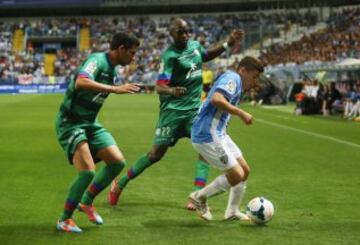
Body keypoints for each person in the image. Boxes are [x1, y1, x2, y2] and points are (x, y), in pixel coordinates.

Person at [108, 18, 244, 210]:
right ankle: (119, 184)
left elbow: (206, 55)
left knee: (205, 148)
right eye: (181, 32)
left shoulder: (195, 46)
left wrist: (227, 43)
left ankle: (196, 197)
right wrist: (172, 91)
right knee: (155, 155)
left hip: (194, 111)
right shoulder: (170, 56)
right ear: (171, 34)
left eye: (187, 31)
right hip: (172, 113)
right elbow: (159, 86)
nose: (186, 35)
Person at [55, 32, 141, 233]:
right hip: (71, 122)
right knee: (87, 172)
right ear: (120, 49)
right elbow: (81, 82)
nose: (133, 57)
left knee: (117, 162)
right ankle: (64, 220)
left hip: (90, 123)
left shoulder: (112, 69)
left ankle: (86, 202)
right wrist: (115, 89)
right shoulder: (97, 60)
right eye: (132, 52)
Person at [189, 56, 264, 221]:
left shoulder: (237, 83)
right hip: (207, 134)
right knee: (236, 174)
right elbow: (217, 99)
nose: (255, 81)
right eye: (254, 76)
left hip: (219, 133)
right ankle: (199, 196)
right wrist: (241, 113)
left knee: (245, 171)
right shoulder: (233, 78)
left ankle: (232, 211)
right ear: (243, 71)